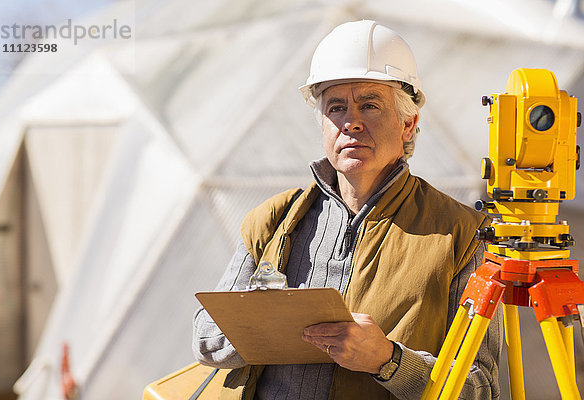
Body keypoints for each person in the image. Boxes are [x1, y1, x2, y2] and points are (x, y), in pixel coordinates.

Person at [192, 20, 502, 400]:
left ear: (409, 123)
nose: (350, 121)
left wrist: (387, 360)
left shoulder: (463, 234)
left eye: (369, 105)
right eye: (336, 107)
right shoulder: (274, 219)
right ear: (322, 123)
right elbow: (204, 338)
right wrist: (271, 324)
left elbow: (481, 389)